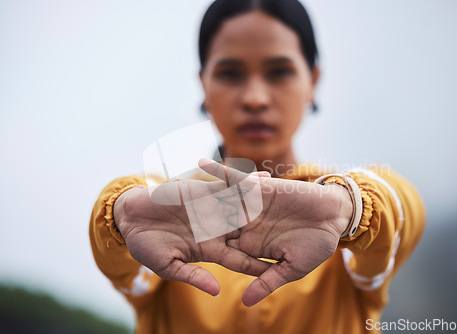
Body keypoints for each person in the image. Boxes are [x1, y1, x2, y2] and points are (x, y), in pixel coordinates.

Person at [89, 0, 426, 333]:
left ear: (313, 81)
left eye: (279, 71)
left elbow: (398, 208)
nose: (254, 98)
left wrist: (350, 208)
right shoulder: (167, 213)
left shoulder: (345, 221)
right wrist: (119, 215)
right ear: (204, 85)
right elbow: (129, 250)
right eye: (230, 73)